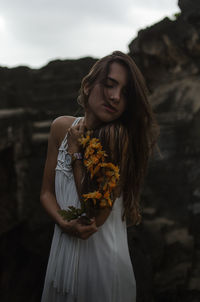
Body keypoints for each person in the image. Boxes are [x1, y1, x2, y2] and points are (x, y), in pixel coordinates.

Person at [40, 51, 159, 302]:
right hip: (61, 254)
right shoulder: (60, 127)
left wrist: (76, 154)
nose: (115, 97)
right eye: (109, 85)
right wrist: (63, 224)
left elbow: (96, 216)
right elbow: (46, 193)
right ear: (87, 85)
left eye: (125, 93)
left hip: (100, 266)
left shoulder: (117, 140)